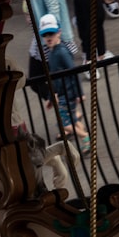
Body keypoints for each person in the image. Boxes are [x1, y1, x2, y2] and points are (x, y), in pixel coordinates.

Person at [38, 13, 91, 154]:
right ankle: (85, 136)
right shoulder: (52, 52)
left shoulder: (61, 52)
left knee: (64, 124)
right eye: (45, 34)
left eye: (51, 33)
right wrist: (51, 97)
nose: (48, 37)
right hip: (62, 95)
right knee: (70, 119)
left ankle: (85, 137)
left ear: (59, 32)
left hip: (68, 94)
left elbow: (74, 72)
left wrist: (79, 93)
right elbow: (53, 79)